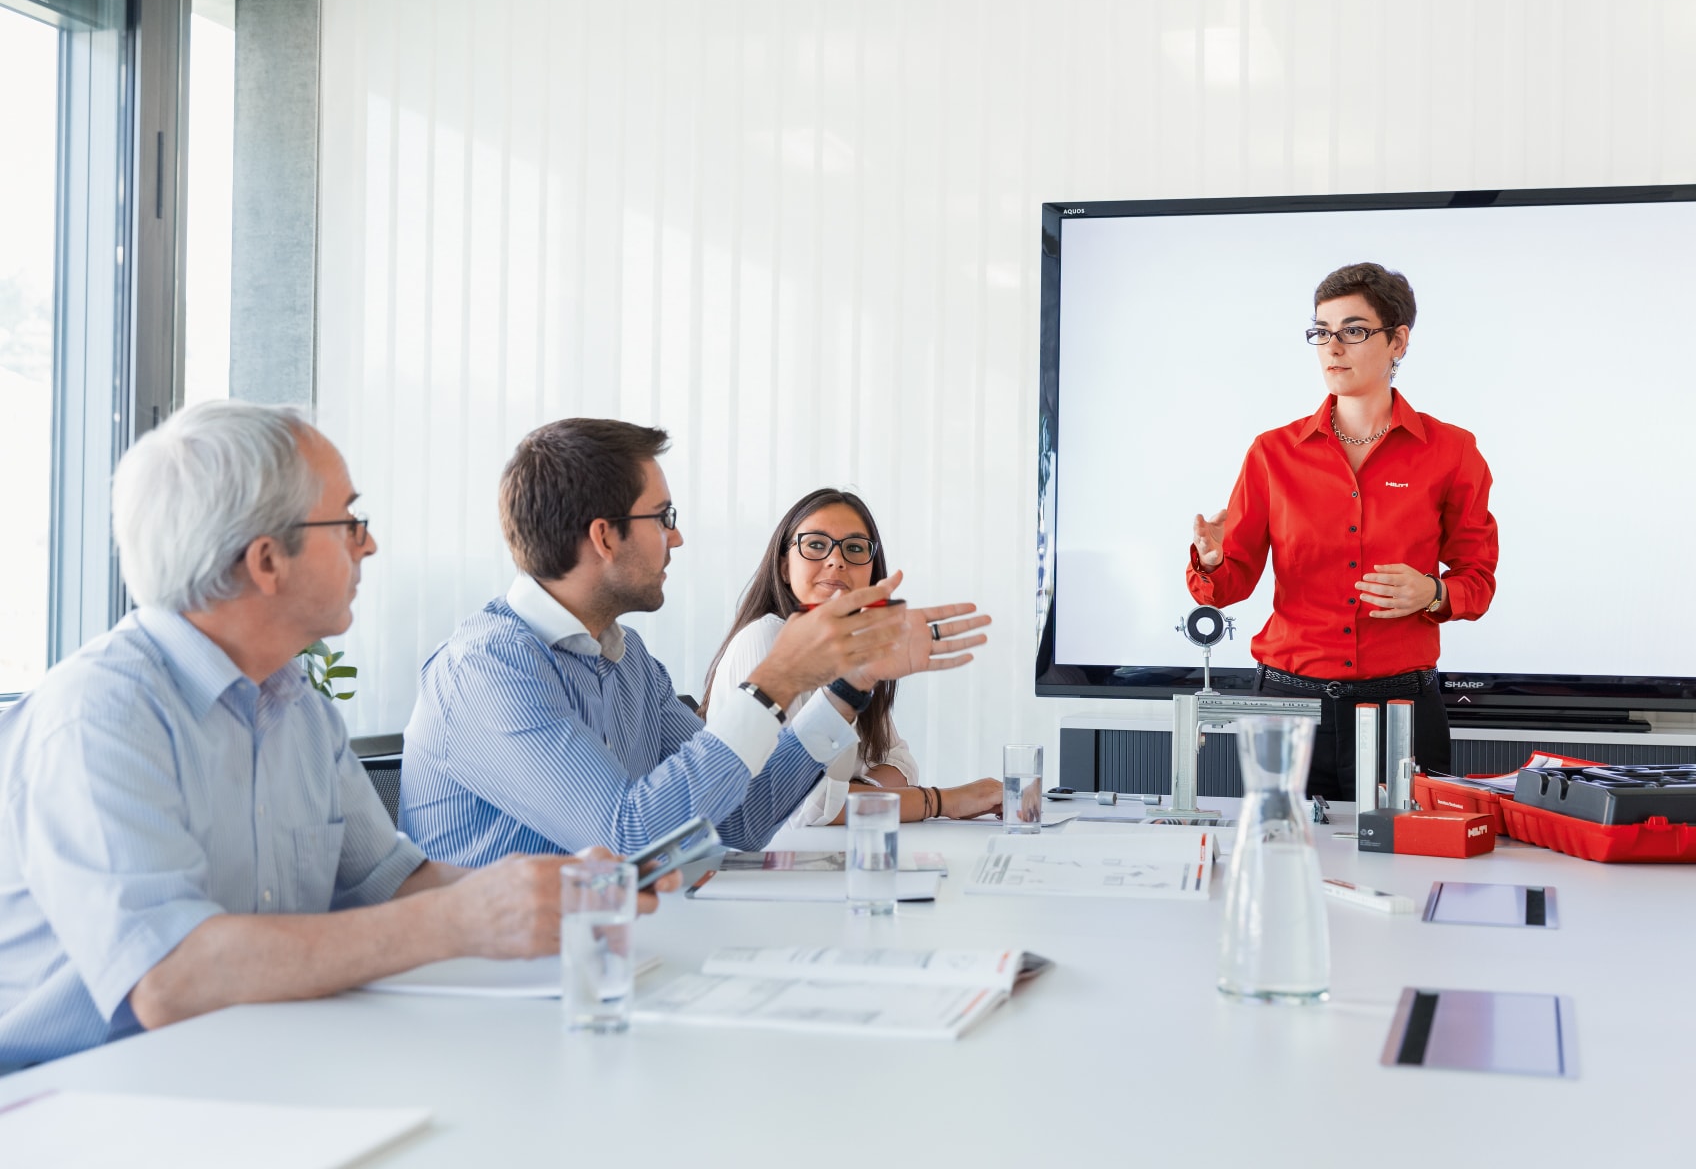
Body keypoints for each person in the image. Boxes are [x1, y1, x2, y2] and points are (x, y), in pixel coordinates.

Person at [0, 401, 673, 1069]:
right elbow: (169, 979)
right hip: (74, 1098)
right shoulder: (99, 715)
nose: (369, 545)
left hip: (253, 1068)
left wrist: (552, 889)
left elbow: (392, 882)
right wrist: (462, 920)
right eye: (350, 522)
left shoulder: (299, 710)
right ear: (267, 561)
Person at [399, 420, 990, 864]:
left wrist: (848, 687)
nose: (676, 538)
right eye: (663, 516)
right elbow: (629, 837)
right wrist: (774, 682)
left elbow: (745, 817)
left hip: (604, 957)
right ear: (605, 536)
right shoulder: (487, 670)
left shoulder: (630, 665)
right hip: (496, 998)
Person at [1187, 263, 1498, 799]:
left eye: (1354, 331)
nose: (1333, 347)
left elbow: (1479, 579)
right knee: (1280, 867)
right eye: (1321, 332)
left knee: (1407, 874)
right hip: (1286, 709)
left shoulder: (1453, 452)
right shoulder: (1272, 453)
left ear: (1398, 341)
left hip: (1402, 714)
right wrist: (1214, 562)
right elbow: (1231, 586)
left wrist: (1436, 592)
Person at [701, 488, 1004, 826]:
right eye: (816, 544)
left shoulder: (854, 649)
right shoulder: (765, 639)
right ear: (785, 567)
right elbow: (803, 807)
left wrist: (848, 793)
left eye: (855, 548)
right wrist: (939, 801)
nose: (837, 560)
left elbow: (900, 762)